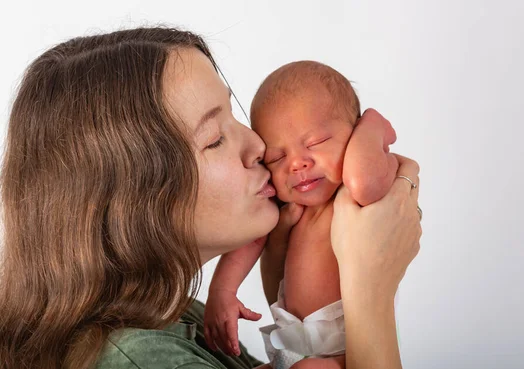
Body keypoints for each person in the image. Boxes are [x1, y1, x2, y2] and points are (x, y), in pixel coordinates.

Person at [0, 27, 422, 369]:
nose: (259, 145)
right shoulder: (146, 361)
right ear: (137, 197)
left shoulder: (174, 314)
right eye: (216, 138)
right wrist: (370, 291)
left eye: (235, 118)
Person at [204, 61, 410, 369]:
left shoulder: (355, 196)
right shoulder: (289, 209)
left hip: (342, 350)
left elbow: (365, 183)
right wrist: (222, 291)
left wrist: (372, 126)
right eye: (277, 156)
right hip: (293, 342)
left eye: (316, 143)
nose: (297, 164)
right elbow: (252, 240)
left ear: (355, 136)